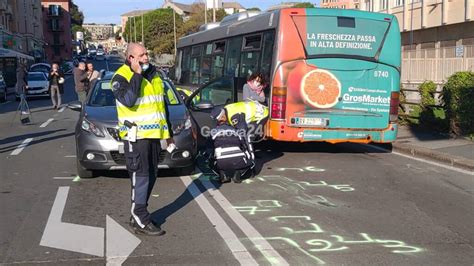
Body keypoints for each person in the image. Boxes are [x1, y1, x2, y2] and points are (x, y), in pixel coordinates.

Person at [111, 43, 171, 236]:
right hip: (136, 137)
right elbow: (128, 100)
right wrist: (137, 74)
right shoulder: (120, 77)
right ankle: (139, 217)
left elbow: (161, 106)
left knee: (151, 174)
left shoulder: (154, 74)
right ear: (131, 58)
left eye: (147, 53)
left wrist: (168, 135)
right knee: (141, 176)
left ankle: (140, 212)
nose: (146, 57)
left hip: (154, 136)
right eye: (142, 55)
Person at [210, 108, 254, 184]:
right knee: (249, 161)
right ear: (223, 117)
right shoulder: (235, 130)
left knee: (210, 159)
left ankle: (223, 175)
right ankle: (238, 173)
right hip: (239, 161)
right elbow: (243, 145)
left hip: (221, 163)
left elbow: (209, 148)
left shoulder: (213, 132)